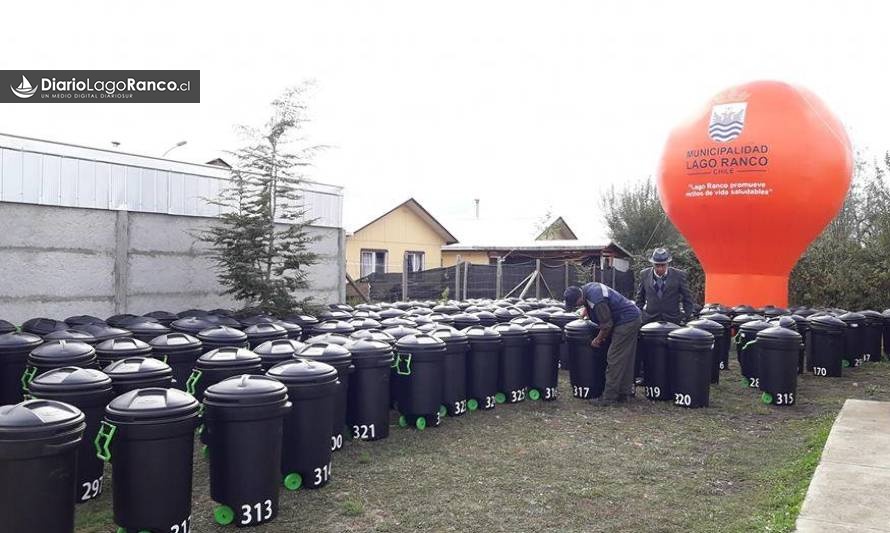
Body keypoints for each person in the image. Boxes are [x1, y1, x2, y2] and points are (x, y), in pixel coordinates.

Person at [564, 282, 642, 406]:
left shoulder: (596, 300)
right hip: (629, 317)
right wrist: (586, 310)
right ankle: (624, 393)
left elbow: (607, 325)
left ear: (580, 298)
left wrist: (598, 339)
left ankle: (609, 398)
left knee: (614, 358)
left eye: (575, 304)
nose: (575, 306)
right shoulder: (587, 289)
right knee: (624, 358)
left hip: (627, 321)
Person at [635, 248, 696, 325]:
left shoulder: (679, 275)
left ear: (667, 263)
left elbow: (687, 297)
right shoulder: (644, 274)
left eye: (663, 265)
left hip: (673, 320)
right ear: (652, 263)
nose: (660, 268)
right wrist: (639, 314)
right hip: (650, 320)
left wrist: (688, 316)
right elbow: (639, 298)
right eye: (657, 265)